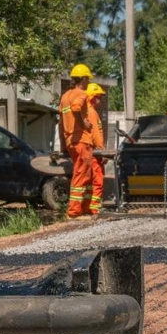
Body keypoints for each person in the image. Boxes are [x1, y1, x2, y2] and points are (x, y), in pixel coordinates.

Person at [58, 63, 95, 219]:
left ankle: (84, 208)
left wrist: (62, 144)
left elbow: (60, 122)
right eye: (88, 79)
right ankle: (74, 212)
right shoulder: (81, 94)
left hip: (70, 141)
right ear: (84, 79)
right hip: (81, 141)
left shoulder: (65, 96)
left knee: (86, 173)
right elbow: (76, 108)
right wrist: (83, 124)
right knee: (81, 174)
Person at [85, 82, 107, 215]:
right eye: (99, 97)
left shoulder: (86, 111)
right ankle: (94, 207)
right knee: (97, 180)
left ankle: (88, 206)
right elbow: (96, 135)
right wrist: (101, 152)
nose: (100, 100)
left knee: (88, 182)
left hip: (88, 151)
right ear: (93, 97)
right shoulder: (92, 113)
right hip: (94, 152)